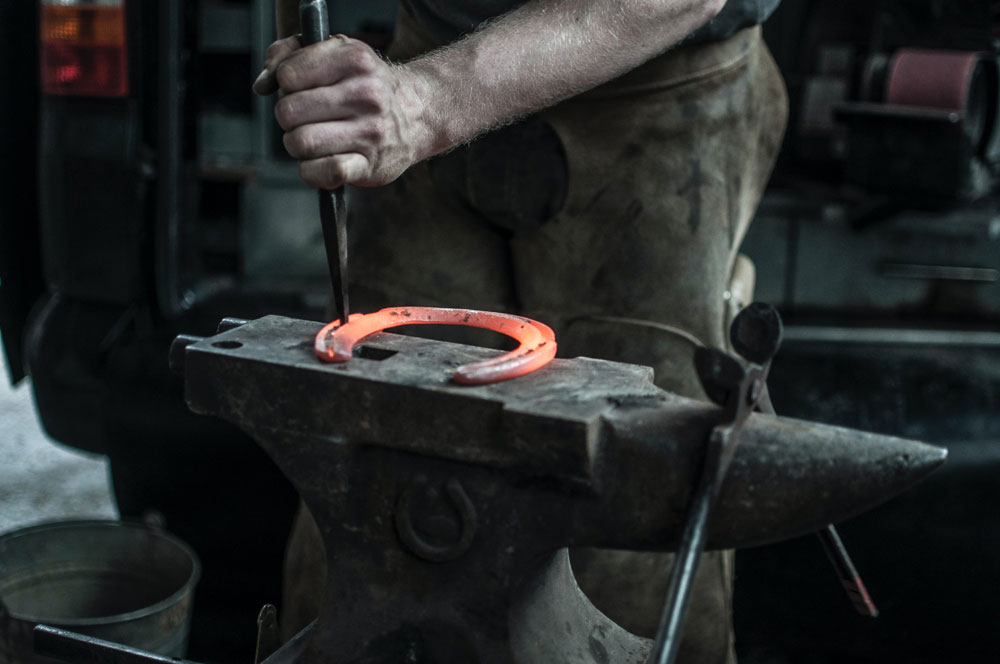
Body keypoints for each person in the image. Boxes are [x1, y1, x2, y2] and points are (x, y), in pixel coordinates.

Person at [254, 1, 787, 662]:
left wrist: (423, 106)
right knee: (373, 488)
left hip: (657, 82)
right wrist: (323, 73)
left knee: (632, 511)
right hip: (428, 47)